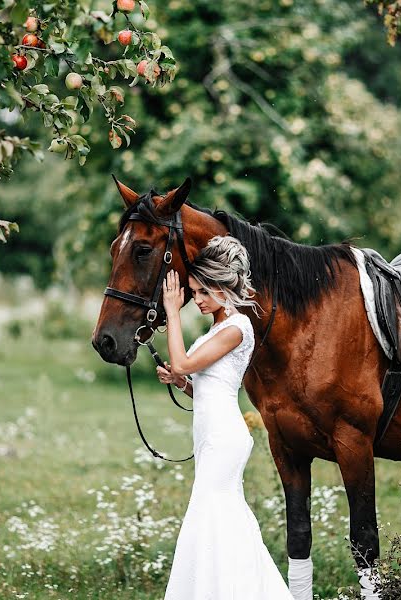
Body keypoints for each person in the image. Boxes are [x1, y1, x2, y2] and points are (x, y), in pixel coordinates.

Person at [157, 235, 294, 600]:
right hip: (211, 435)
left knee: (209, 513)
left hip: (224, 438)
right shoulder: (218, 328)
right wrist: (180, 381)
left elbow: (185, 361)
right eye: (192, 292)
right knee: (220, 519)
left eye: (202, 292)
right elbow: (201, 384)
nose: (196, 300)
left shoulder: (236, 328)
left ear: (222, 287)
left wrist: (172, 311)